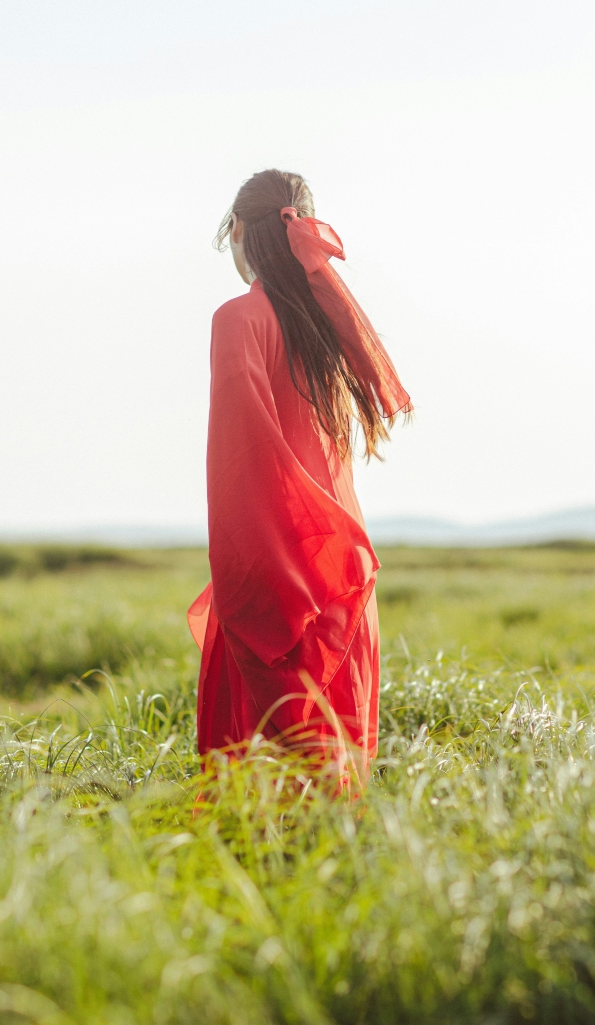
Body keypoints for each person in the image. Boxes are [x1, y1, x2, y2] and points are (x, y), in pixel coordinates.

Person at [187, 169, 410, 782]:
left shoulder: (237, 319)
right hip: (339, 582)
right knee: (334, 795)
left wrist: (246, 589)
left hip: (278, 587)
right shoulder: (323, 326)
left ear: (237, 230)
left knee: (258, 795)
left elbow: (242, 464)